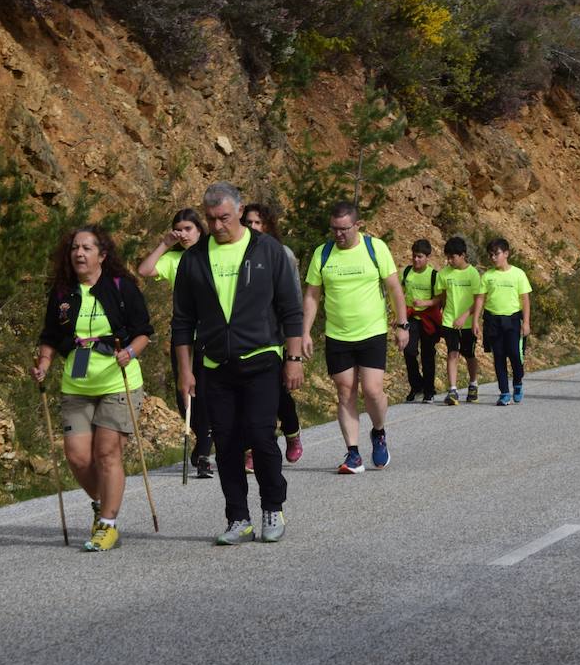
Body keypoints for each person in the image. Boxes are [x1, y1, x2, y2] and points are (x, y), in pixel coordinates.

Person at [171, 183, 304, 545]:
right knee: (227, 444)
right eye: (211, 219)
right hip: (215, 365)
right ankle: (238, 517)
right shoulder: (194, 259)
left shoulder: (268, 251)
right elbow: (182, 321)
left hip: (262, 359)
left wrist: (293, 359)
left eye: (224, 218)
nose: (217, 226)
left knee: (261, 438)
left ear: (240, 210)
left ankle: (272, 506)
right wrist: (185, 372)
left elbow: (291, 310)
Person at [33, 225, 154, 552]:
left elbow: (144, 331)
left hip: (119, 381)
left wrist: (129, 352)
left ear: (102, 254)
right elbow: (49, 335)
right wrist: (44, 362)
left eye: (87, 248)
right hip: (77, 381)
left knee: (106, 453)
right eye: (75, 247)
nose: (79, 253)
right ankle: (103, 503)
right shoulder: (62, 293)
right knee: (77, 456)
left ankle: (108, 524)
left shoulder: (121, 287)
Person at [302, 201, 410, 474]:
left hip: (372, 331)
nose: (338, 235)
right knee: (345, 392)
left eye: (344, 229)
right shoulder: (323, 254)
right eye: (334, 229)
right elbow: (312, 296)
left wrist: (402, 324)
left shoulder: (375, 249)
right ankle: (353, 454)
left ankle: (379, 431)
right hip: (338, 335)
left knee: (373, 390)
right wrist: (304, 332)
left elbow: (395, 289)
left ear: (357, 225)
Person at [137, 209, 215, 479]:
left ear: (199, 230)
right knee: (184, 393)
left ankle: (204, 452)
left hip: (210, 334)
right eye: (178, 229)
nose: (183, 234)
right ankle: (203, 435)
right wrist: (165, 243)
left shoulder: (211, 254)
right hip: (183, 334)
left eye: (188, 229)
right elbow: (144, 270)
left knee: (205, 391)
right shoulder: (173, 259)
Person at [241, 203, 305, 466]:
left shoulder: (282, 253)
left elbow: (294, 300)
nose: (253, 228)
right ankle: (250, 449)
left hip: (275, 335)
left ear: (267, 226)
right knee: (244, 394)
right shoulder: (235, 255)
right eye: (248, 223)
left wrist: (296, 344)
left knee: (277, 393)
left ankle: (291, 432)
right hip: (245, 336)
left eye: (258, 223)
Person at [472, 237, 532, 406]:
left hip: (513, 319)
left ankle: (518, 381)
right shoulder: (487, 276)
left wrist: (526, 322)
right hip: (492, 320)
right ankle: (504, 392)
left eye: (496, 254)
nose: (493, 257)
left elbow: (525, 299)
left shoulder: (518, 274)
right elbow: (480, 299)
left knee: (514, 353)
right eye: (490, 254)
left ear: (506, 254)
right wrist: (475, 321)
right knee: (498, 356)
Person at [438, 236, 482, 404]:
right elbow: (442, 297)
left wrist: (466, 316)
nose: (449, 260)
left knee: (469, 354)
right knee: (452, 353)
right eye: (447, 257)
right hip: (449, 321)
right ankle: (453, 390)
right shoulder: (444, 274)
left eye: (452, 257)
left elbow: (478, 299)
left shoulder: (473, 274)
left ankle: (473, 384)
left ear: (463, 255)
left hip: (468, 323)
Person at [400, 239, 443, 403]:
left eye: (419, 257)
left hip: (429, 319)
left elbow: (439, 298)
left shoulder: (433, 275)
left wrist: (426, 303)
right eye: (414, 256)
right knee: (409, 351)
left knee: (427, 354)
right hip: (411, 317)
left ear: (427, 257)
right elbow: (399, 292)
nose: (416, 260)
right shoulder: (406, 272)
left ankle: (429, 390)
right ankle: (417, 385)